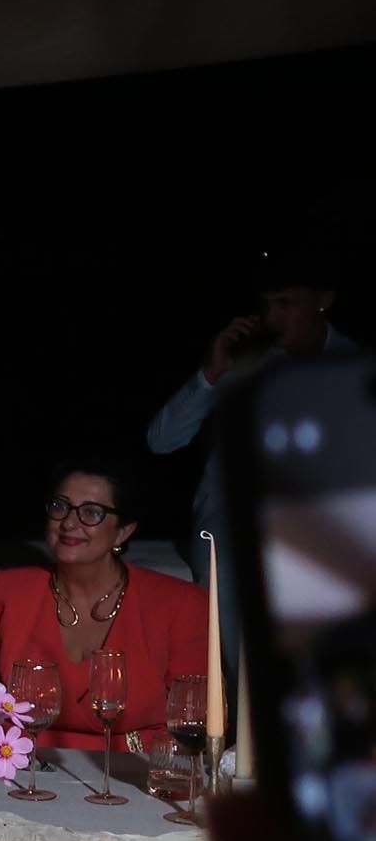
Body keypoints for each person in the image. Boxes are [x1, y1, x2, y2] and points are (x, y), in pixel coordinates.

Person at [146, 244, 351, 682]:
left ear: (323, 299)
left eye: (286, 303)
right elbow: (161, 441)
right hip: (230, 555)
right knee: (233, 696)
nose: (274, 317)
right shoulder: (243, 362)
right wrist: (210, 374)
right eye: (266, 305)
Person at [0, 457, 208, 748]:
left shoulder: (180, 604)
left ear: (123, 531)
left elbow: (197, 721)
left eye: (92, 512)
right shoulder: (6, 593)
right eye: (60, 506)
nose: (69, 522)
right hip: (26, 777)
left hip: (135, 776)